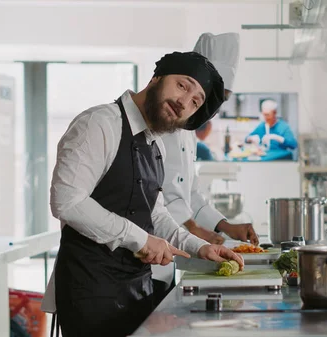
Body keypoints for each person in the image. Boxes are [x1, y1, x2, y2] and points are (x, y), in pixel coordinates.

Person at [41, 51, 244, 337]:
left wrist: (200, 247)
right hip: (90, 292)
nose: (184, 102)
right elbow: (67, 201)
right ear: (156, 78)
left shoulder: (156, 146)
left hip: (137, 289)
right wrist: (140, 239)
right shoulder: (99, 124)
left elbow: (156, 214)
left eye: (195, 101)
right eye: (182, 85)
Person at [153, 33, 259, 303]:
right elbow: (159, 192)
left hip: (164, 259)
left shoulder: (189, 128)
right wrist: (193, 228)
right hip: (147, 254)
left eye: (223, 99)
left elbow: (191, 193)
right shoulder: (165, 120)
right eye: (215, 95)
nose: (215, 106)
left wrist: (225, 226)